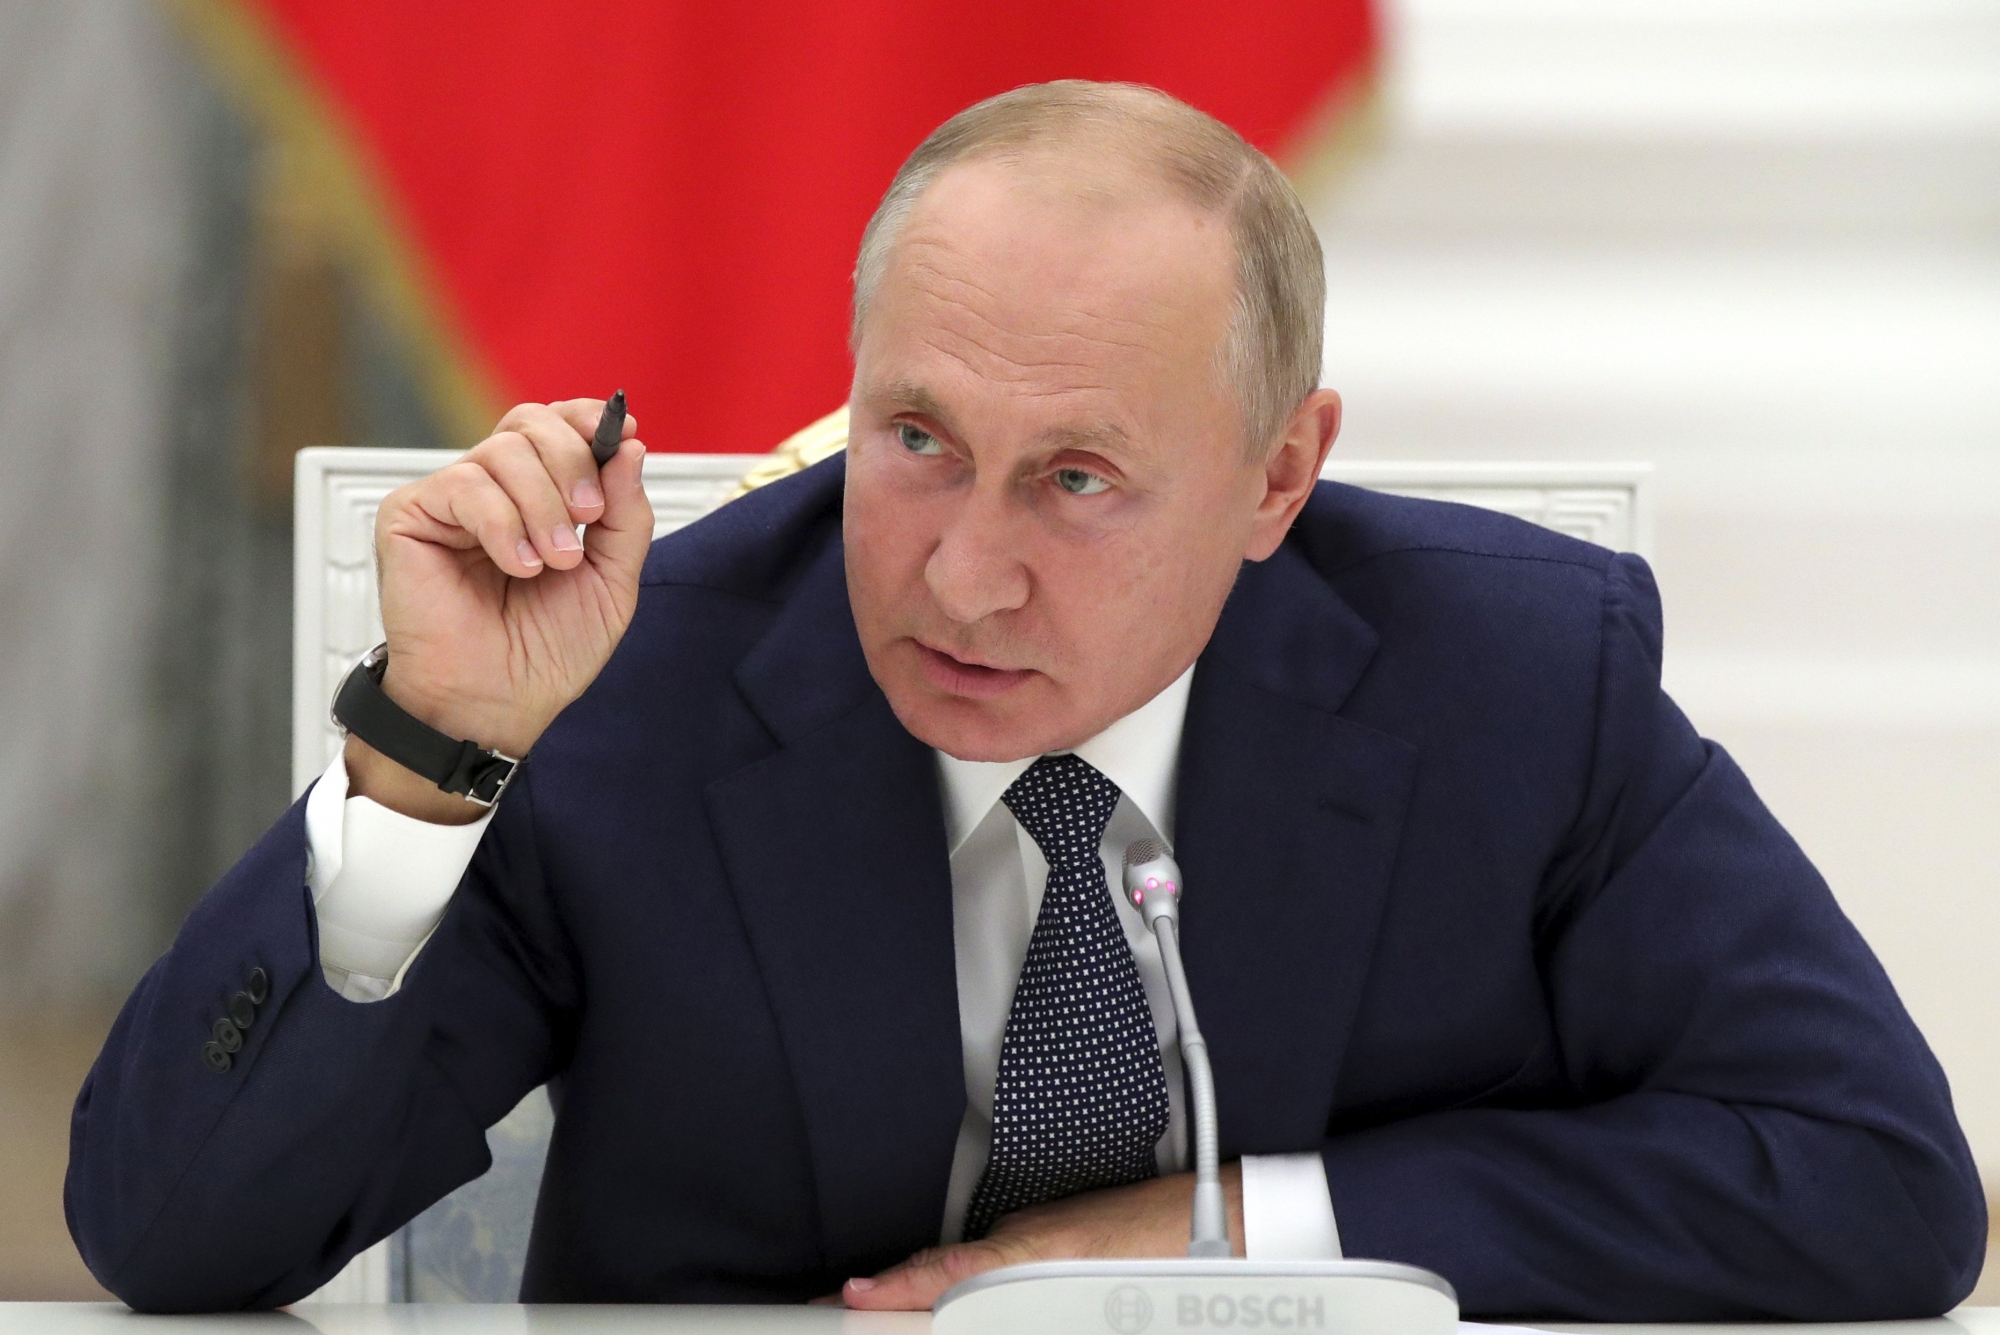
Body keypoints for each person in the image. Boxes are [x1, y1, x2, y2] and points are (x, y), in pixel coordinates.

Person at [67, 81, 1983, 1319]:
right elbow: (176, 1243)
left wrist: (1217, 1232)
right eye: (917, 438)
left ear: (1276, 482)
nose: (961, 573)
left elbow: (1879, 1186)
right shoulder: (634, 681)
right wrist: (430, 757)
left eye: (1077, 478)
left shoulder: (1516, 680)